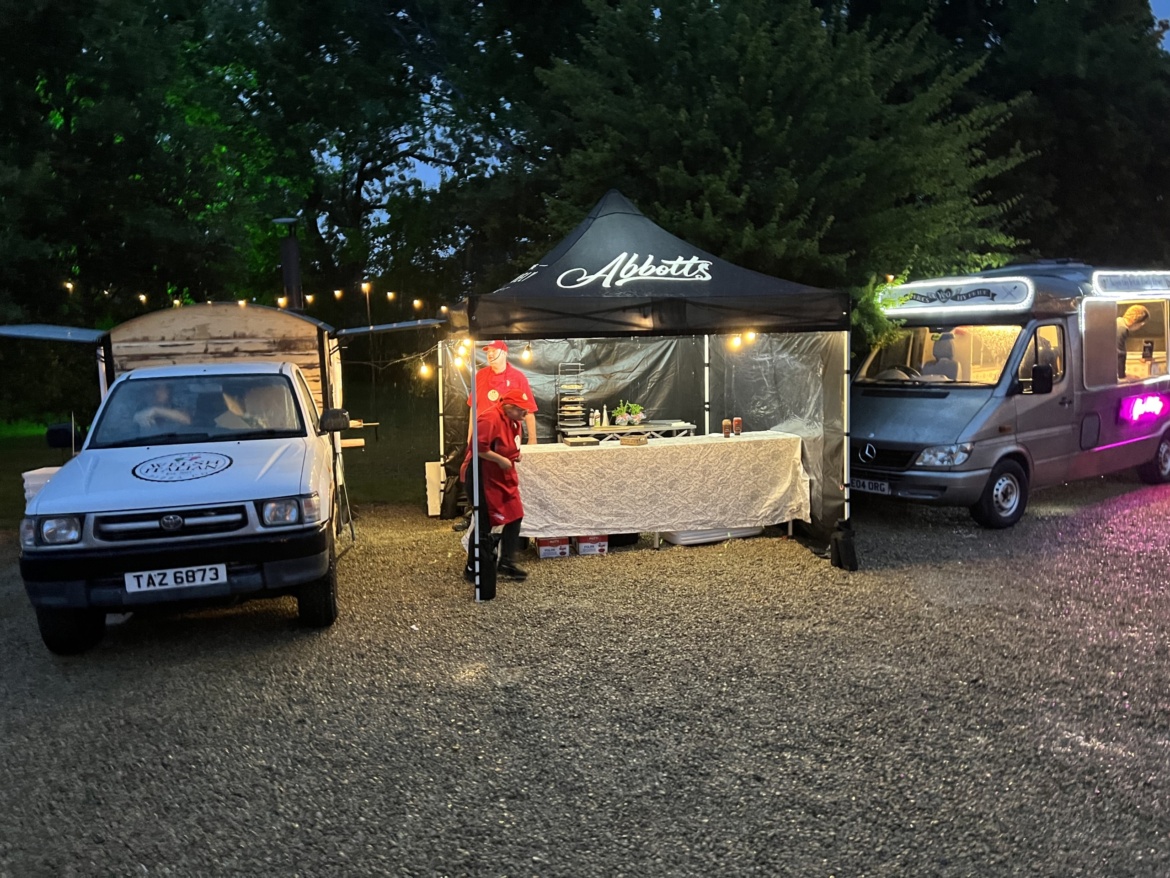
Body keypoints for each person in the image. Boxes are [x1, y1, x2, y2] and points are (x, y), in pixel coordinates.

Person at [461, 387, 529, 594]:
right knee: (484, 522)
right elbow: (478, 447)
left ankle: (506, 561)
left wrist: (514, 456)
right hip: (482, 475)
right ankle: (473, 566)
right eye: (522, 412)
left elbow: (510, 444)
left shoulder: (513, 421)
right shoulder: (489, 418)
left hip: (502, 476)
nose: (525, 416)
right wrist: (500, 459)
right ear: (509, 407)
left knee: (515, 515)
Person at [467, 340, 538, 446]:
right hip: (483, 437)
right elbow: (473, 407)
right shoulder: (480, 376)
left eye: (494, 351)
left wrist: (532, 439)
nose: (490, 354)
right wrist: (470, 437)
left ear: (504, 353)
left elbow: (529, 410)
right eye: (488, 352)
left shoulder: (518, 377)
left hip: (509, 438)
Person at [1117, 304, 1150, 379]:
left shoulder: (1118, 321)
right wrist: (1122, 377)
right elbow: (1120, 354)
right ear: (1140, 322)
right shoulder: (1122, 329)